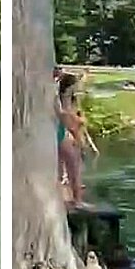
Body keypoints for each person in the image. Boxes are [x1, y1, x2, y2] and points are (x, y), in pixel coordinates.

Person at [56, 72, 87, 208]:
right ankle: (76, 200)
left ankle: (76, 198)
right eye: (75, 86)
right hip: (57, 132)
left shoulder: (69, 99)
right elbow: (63, 116)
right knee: (71, 164)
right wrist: (76, 120)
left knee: (73, 164)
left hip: (62, 132)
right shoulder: (57, 98)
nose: (77, 89)